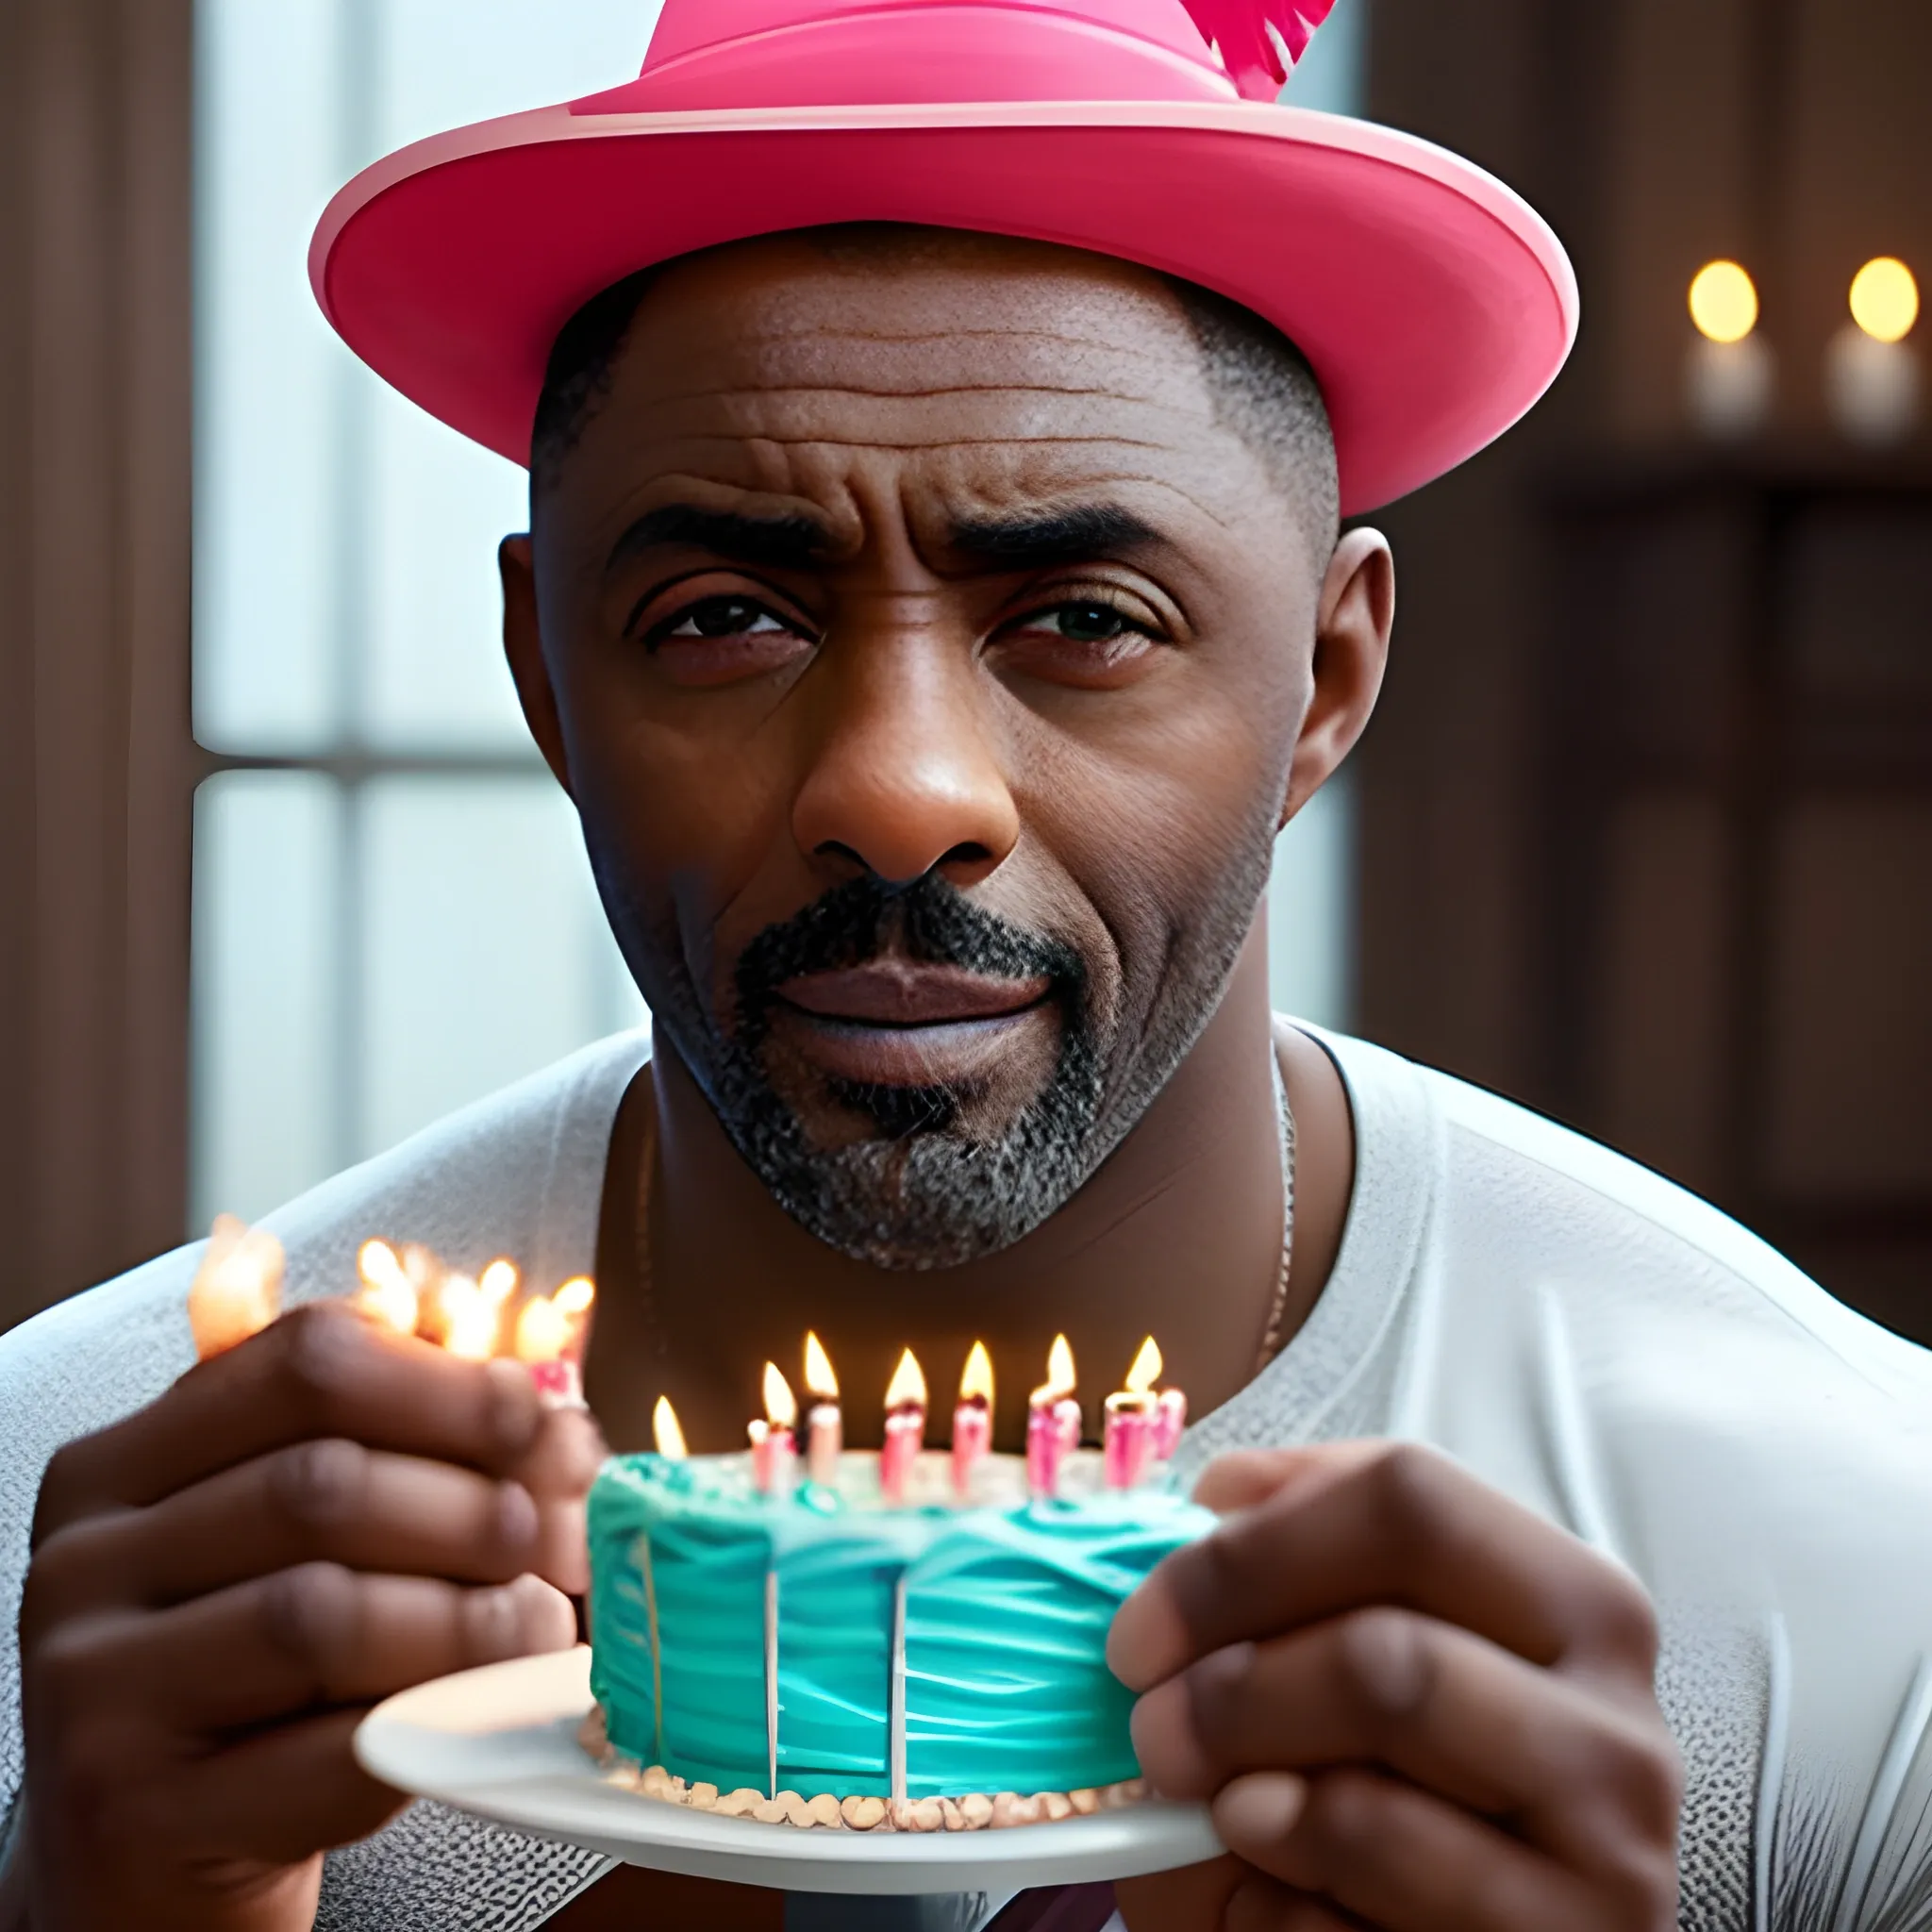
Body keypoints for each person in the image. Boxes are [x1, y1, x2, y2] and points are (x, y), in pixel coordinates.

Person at [4, 2, 1931, 1929]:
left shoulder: (1854, 1568)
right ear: (545, 675)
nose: (898, 789)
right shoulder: (92, 1543)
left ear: (1327, 680)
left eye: (1085, 617)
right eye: (725, 615)